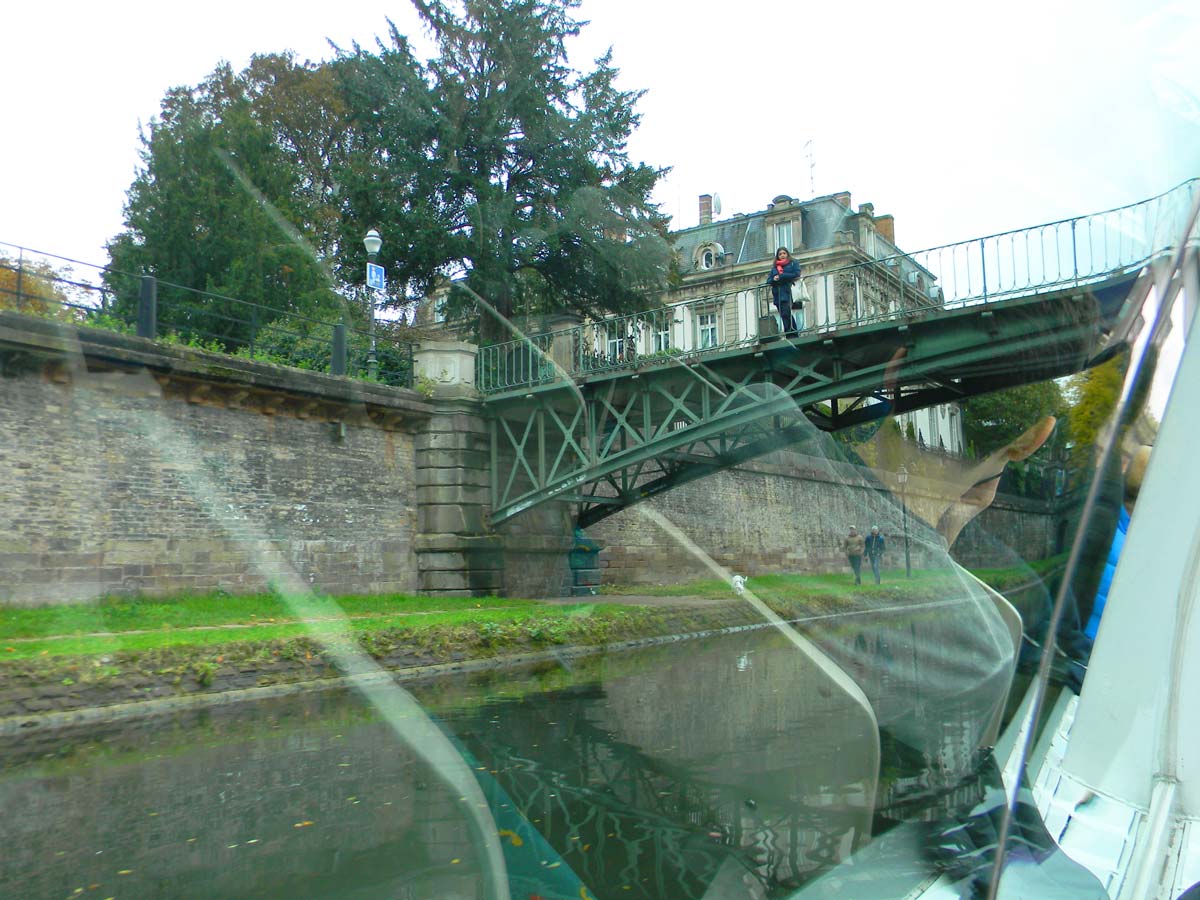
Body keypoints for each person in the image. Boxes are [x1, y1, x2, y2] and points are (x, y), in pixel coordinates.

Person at [766, 247, 801, 335]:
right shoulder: (775, 267)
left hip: (787, 292)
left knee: (787, 313)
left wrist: (781, 276)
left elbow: (796, 274)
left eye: (784, 253)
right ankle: (789, 333)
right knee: (783, 315)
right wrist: (774, 279)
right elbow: (768, 281)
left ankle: (793, 333)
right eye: (780, 254)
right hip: (777, 295)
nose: (782, 255)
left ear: (787, 254)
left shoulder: (793, 263)